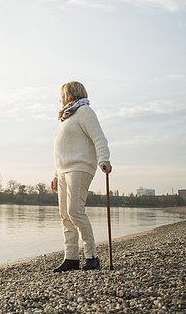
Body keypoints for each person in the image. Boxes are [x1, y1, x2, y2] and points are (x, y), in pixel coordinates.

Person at [51, 81, 111, 272]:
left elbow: (98, 138)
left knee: (75, 210)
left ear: (70, 94)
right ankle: (71, 258)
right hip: (63, 170)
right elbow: (62, 149)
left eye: (61, 95)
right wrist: (55, 173)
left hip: (80, 166)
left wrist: (104, 159)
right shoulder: (66, 117)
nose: (59, 99)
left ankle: (92, 256)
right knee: (65, 215)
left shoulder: (84, 111)